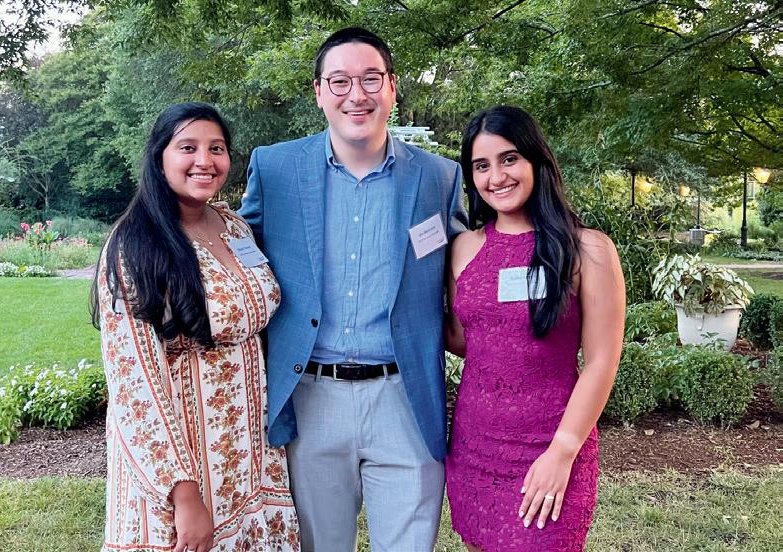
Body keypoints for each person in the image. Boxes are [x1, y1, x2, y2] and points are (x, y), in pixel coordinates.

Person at [239, 27, 467, 552]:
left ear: (392, 87)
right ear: (319, 92)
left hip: (405, 399)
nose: (356, 95)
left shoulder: (439, 177)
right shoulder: (274, 168)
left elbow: (468, 273)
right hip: (310, 398)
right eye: (339, 81)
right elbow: (233, 254)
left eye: (370, 79)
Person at [91, 102, 299, 552]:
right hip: (185, 461)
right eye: (188, 147)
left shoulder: (234, 226)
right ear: (159, 156)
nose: (204, 161)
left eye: (216, 148)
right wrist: (182, 494)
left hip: (248, 454)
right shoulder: (136, 246)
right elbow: (134, 381)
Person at [444, 105, 625, 551]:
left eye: (509, 159)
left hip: (551, 444)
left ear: (536, 159)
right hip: (474, 445)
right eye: (481, 165)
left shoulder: (588, 249)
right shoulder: (463, 248)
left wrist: (562, 452)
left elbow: (601, 361)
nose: (496, 177)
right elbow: (467, 340)